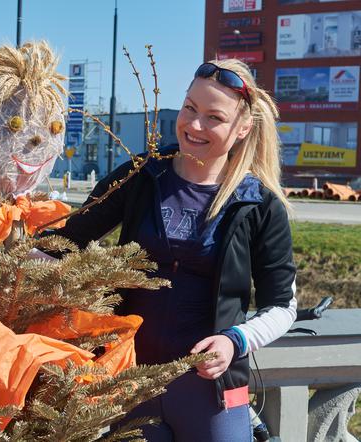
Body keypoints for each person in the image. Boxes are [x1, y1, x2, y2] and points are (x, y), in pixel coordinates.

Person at [48, 59, 297, 441]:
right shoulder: (142, 175)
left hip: (211, 393)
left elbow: (282, 306)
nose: (194, 125)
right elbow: (65, 242)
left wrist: (235, 340)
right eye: (190, 108)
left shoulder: (259, 204)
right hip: (132, 384)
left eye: (214, 117)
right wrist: (8, 250)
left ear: (243, 127)